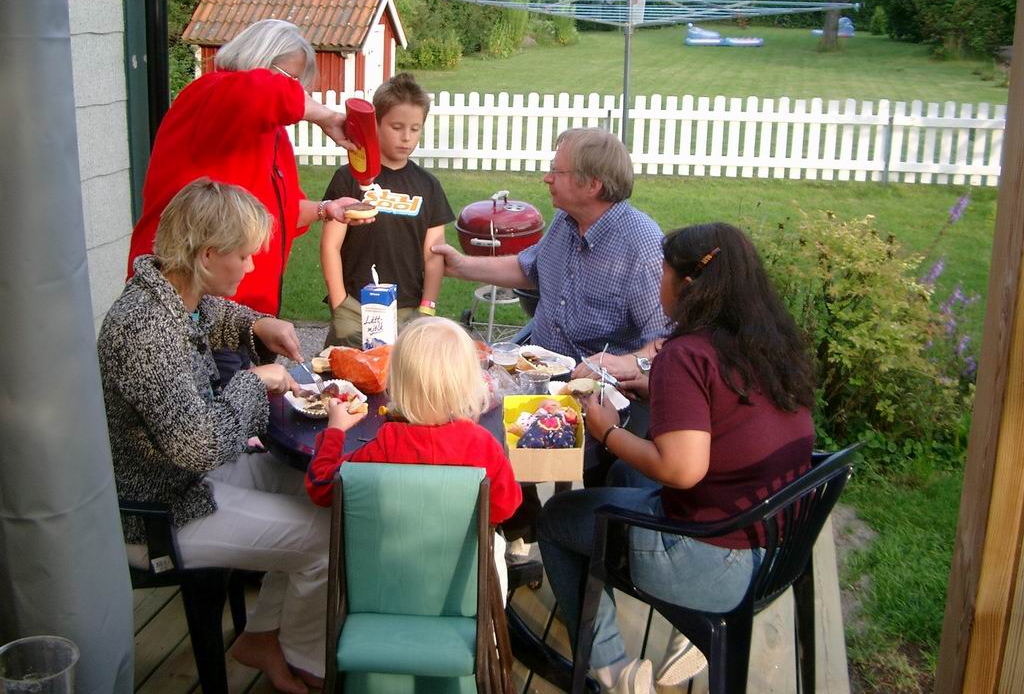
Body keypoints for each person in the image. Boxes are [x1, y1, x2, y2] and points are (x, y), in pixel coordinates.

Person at [536, 223, 817, 694]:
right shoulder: (770, 344)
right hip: (777, 545)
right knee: (625, 475)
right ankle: (684, 623)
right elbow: (729, 410)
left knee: (557, 517)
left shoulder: (686, 355)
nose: (658, 285)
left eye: (662, 274)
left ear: (687, 285)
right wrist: (659, 391)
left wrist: (607, 430)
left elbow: (681, 470)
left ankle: (613, 671)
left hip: (715, 561)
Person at [100, 180, 330, 693]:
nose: (250, 267)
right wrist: (253, 381)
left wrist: (259, 325)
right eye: (243, 255)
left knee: (322, 492)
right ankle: (305, 663)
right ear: (207, 255)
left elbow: (213, 315)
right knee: (325, 540)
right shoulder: (143, 329)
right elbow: (200, 445)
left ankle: (263, 637)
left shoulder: (173, 294)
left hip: (192, 480)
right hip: (161, 511)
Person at [432, 127, 669, 489]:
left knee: (501, 453)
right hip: (538, 375)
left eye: (557, 171)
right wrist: (461, 266)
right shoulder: (567, 221)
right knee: (482, 434)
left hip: (600, 398)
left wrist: (625, 363)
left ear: (592, 185)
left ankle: (541, 508)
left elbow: (663, 344)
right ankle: (520, 509)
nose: (547, 178)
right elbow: (530, 269)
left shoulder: (642, 248)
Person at [127, 18, 373, 323]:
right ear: (259, 60)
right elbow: (262, 91)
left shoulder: (274, 135)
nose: (297, 91)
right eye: (292, 80)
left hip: (247, 315)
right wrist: (326, 116)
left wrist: (327, 209)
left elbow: (281, 212)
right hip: (187, 307)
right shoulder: (210, 95)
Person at [304, 316, 522, 597]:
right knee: (496, 545)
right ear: (470, 384)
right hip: (464, 592)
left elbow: (322, 486)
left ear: (395, 383)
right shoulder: (483, 446)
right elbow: (506, 507)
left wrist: (334, 431)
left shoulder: (387, 446)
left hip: (386, 586)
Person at [320, 72, 454, 347]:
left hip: (408, 309)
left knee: (402, 375)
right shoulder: (349, 178)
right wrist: (339, 302)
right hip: (355, 306)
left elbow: (434, 254)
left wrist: (427, 308)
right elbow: (330, 246)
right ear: (376, 125)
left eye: (415, 129)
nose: (406, 137)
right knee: (344, 373)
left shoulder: (428, 186)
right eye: (397, 127)